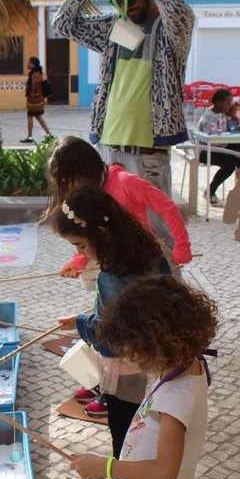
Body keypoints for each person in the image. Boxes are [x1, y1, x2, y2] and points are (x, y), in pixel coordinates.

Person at [52, 0, 194, 256]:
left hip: (147, 155)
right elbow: (63, 23)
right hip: (110, 151)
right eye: (118, 1)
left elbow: (178, 9)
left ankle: (168, 287)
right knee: (112, 235)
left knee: (158, 237)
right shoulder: (117, 28)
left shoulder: (171, 32)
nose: (126, 8)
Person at [43, 136, 193, 416]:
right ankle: (104, 384)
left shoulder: (124, 182)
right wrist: (79, 259)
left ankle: (116, 393)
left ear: (85, 170)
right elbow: (90, 238)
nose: (69, 189)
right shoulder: (90, 199)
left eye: (70, 181)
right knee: (104, 315)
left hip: (136, 266)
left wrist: (182, 245)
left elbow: (167, 206)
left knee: (118, 331)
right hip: (112, 265)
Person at [52, 184, 170, 479]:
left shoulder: (112, 273)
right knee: (133, 428)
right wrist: (85, 317)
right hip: (148, 355)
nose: (82, 253)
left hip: (125, 363)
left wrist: (83, 323)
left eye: (81, 245)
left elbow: (111, 335)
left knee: (123, 433)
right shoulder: (143, 249)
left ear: (101, 233)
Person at [70, 275, 218, 479]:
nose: (127, 356)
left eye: (131, 349)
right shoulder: (187, 365)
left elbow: (164, 471)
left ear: (155, 346)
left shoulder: (176, 399)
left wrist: (105, 467)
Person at [198, 88, 240, 205]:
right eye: (228, 103)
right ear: (218, 103)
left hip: (220, 148)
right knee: (230, 165)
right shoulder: (209, 118)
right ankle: (210, 192)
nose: (230, 106)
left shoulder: (222, 113)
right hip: (207, 151)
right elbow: (213, 140)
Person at [22, 56, 53, 143]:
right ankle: (49, 135)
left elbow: (34, 87)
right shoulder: (38, 73)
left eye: (29, 63)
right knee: (38, 117)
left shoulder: (34, 74)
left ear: (33, 64)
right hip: (38, 99)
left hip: (34, 100)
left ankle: (30, 137)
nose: (27, 64)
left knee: (31, 117)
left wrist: (26, 86)